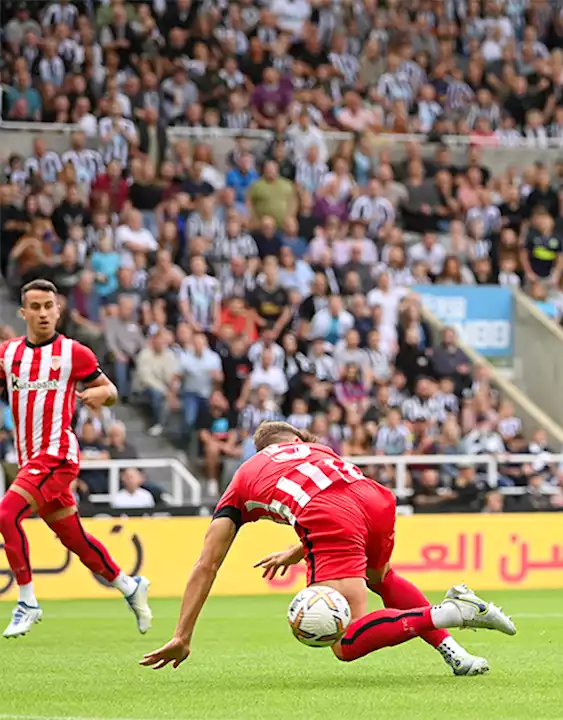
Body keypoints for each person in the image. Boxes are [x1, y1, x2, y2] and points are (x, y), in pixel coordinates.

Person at [141, 422, 515, 672]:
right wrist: (299, 549)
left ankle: (452, 612)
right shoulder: (320, 452)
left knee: (345, 641)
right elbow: (340, 497)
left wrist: (182, 635)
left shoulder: (243, 478)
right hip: (375, 498)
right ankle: (455, 653)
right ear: (297, 442)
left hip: (329, 516)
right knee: (380, 576)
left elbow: (207, 564)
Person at [0, 279, 152, 638]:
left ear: (58, 310)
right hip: (30, 461)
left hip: (58, 454)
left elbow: (110, 390)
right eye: (34, 307)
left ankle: (27, 601)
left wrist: (101, 396)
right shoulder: (8, 355)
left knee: (6, 514)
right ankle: (130, 585)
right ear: (23, 312)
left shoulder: (74, 353)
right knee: (74, 539)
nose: (42, 313)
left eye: (48, 306)